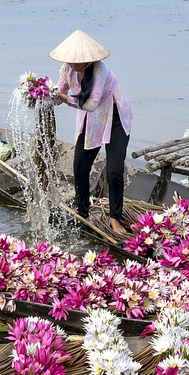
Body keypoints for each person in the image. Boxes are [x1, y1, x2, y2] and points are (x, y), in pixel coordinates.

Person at [50, 29, 134, 236]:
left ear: (87, 60)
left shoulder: (100, 70)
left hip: (114, 118)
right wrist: (42, 93)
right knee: (79, 165)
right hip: (91, 121)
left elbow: (91, 104)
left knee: (114, 169)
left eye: (77, 60)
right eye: (70, 59)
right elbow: (57, 95)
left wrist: (61, 97)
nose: (72, 63)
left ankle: (115, 218)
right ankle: (82, 212)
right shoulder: (67, 69)